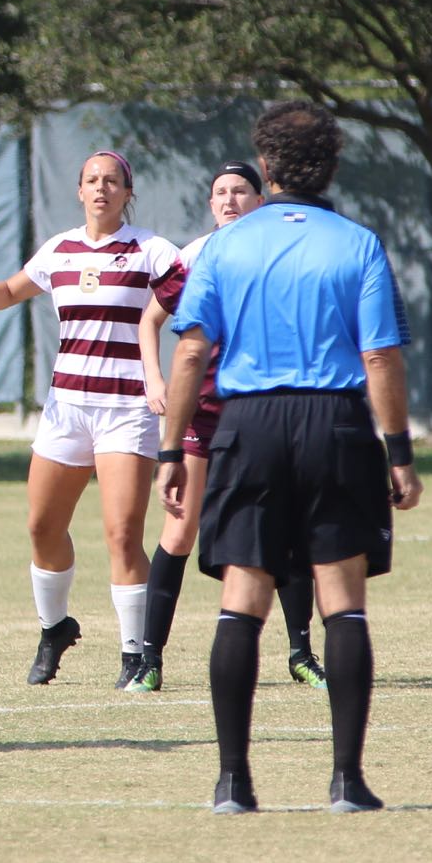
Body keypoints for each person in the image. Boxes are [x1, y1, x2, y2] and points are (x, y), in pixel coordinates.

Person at [157, 101, 422, 814]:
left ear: (264, 167)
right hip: (335, 425)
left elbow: (190, 349)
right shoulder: (359, 244)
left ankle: (232, 783)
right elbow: (379, 354)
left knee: (242, 599)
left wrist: (170, 448)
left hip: (247, 426)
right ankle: (347, 781)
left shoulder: (227, 247)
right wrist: (397, 450)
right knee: (344, 604)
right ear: (331, 165)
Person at [0, 151, 180, 689]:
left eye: (113, 181)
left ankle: (134, 656)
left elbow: (192, 294)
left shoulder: (151, 250)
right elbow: (10, 290)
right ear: (79, 191)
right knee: (41, 527)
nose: (102, 189)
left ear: (128, 191)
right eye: (92, 181)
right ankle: (54, 628)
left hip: (126, 410)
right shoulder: (59, 249)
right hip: (65, 410)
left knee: (122, 533)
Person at [131, 162, 325, 693]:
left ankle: (302, 653)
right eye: (220, 192)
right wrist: (155, 379)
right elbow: (150, 319)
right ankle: (150, 661)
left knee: (284, 529)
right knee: (179, 529)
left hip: (267, 412)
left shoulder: (280, 249)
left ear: (261, 199)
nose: (229, 199)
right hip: (206, 414)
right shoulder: (195, 255)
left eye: (241, 190)